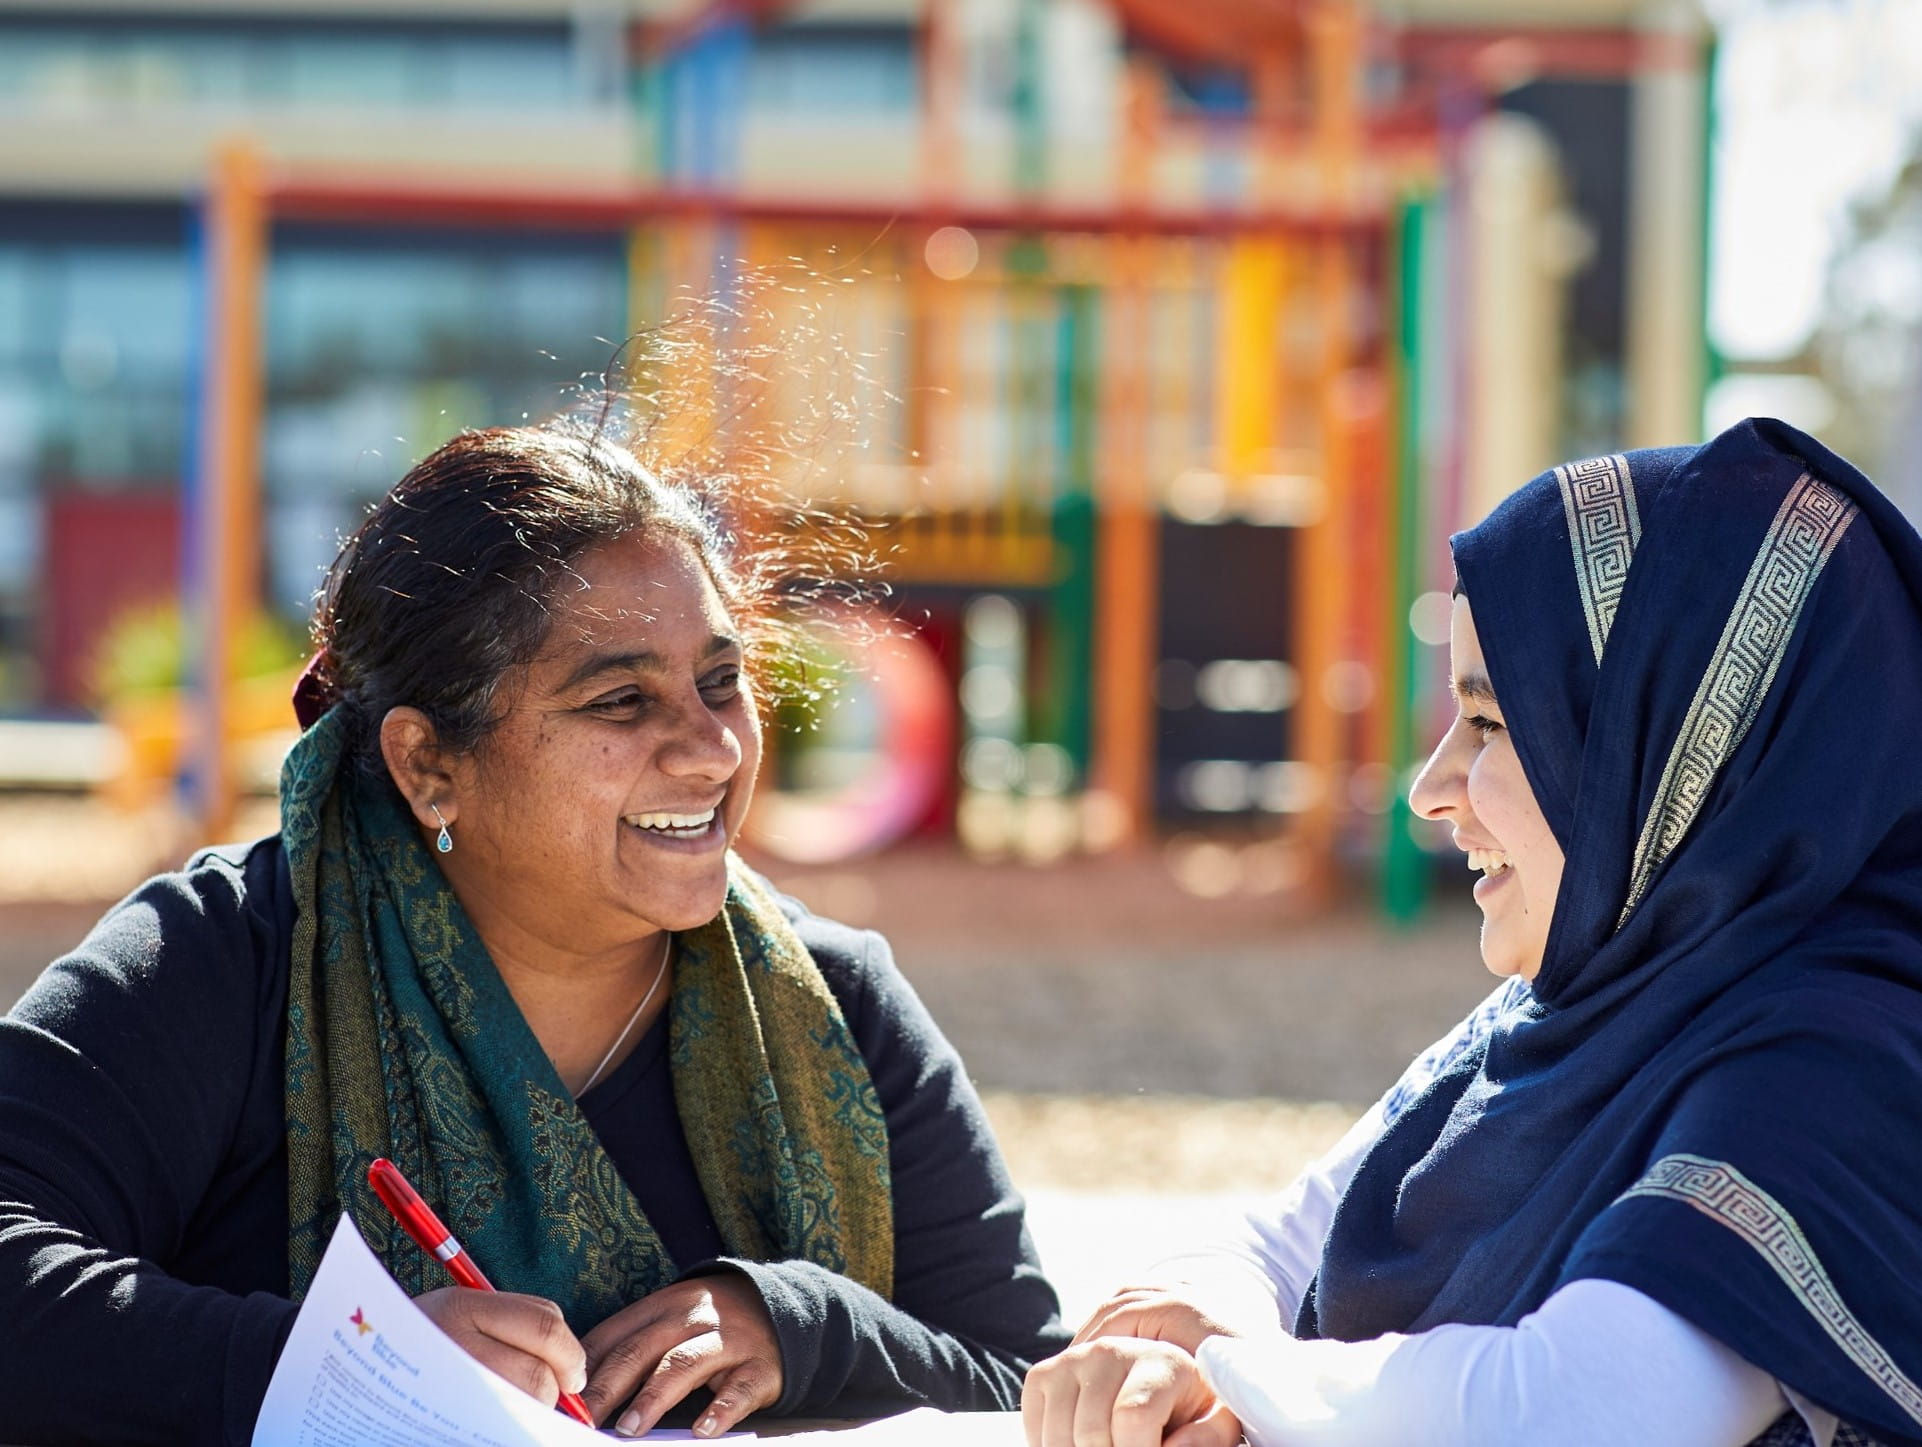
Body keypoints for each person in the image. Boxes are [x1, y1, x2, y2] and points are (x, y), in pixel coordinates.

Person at [0, 423, 1066, 1446]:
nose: (708, 751)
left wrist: (800, 1328)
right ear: (427, 766)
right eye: (620, 701)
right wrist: (342, 1369)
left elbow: (1034, 1384)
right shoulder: (233, 957)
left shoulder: (836, 1004)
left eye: (719, 682)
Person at [1023, 417, 1922, 1447]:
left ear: (1676, 756)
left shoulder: (1837, 1059)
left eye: (1492, 725)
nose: (1428, 788)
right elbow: (1276, 1239)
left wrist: (1236, 1370)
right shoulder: (1579, 1013)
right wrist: (1178, 1329)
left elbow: (1575, 1414)